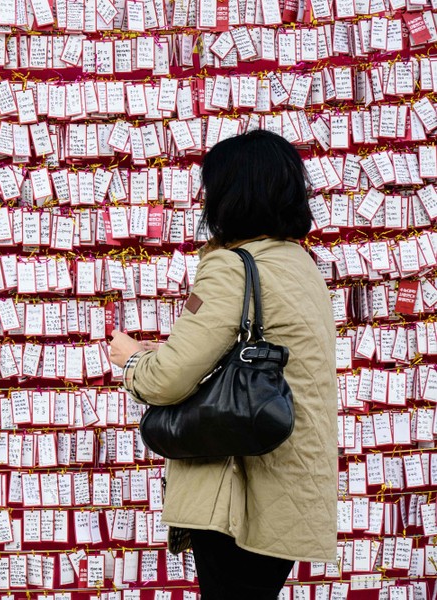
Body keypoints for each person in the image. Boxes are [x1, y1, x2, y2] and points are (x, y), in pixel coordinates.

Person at [108, 130, 338, 599]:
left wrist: (132, 361)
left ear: (230, 195)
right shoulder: (300, 265)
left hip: (240, 496)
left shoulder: (232, 266)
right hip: (291, 492)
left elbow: (169, 377)